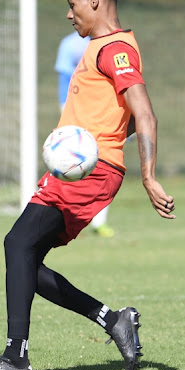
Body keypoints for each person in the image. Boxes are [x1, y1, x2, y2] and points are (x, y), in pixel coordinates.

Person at [0, 0, 175, 370]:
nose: (69, 13)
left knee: (17, 244)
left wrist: (147, 176)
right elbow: (126, 115)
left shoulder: (115, 49)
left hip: (91, 175)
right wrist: (103, 136)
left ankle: (15, 357)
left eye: (72, 3)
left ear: (94, 0)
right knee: (24, 258)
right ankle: (113, 320)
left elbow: (145, 113)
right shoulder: (103, 47)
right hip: (78, 173)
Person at [55, 31, 115, 238]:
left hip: (101, 112)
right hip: (76, 112)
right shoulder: (71, 44)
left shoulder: (110, 44)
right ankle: (62, 213)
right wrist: (67, 115)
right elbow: (64, 80)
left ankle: (98, 222)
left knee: (103, 165)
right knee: (70, 166)